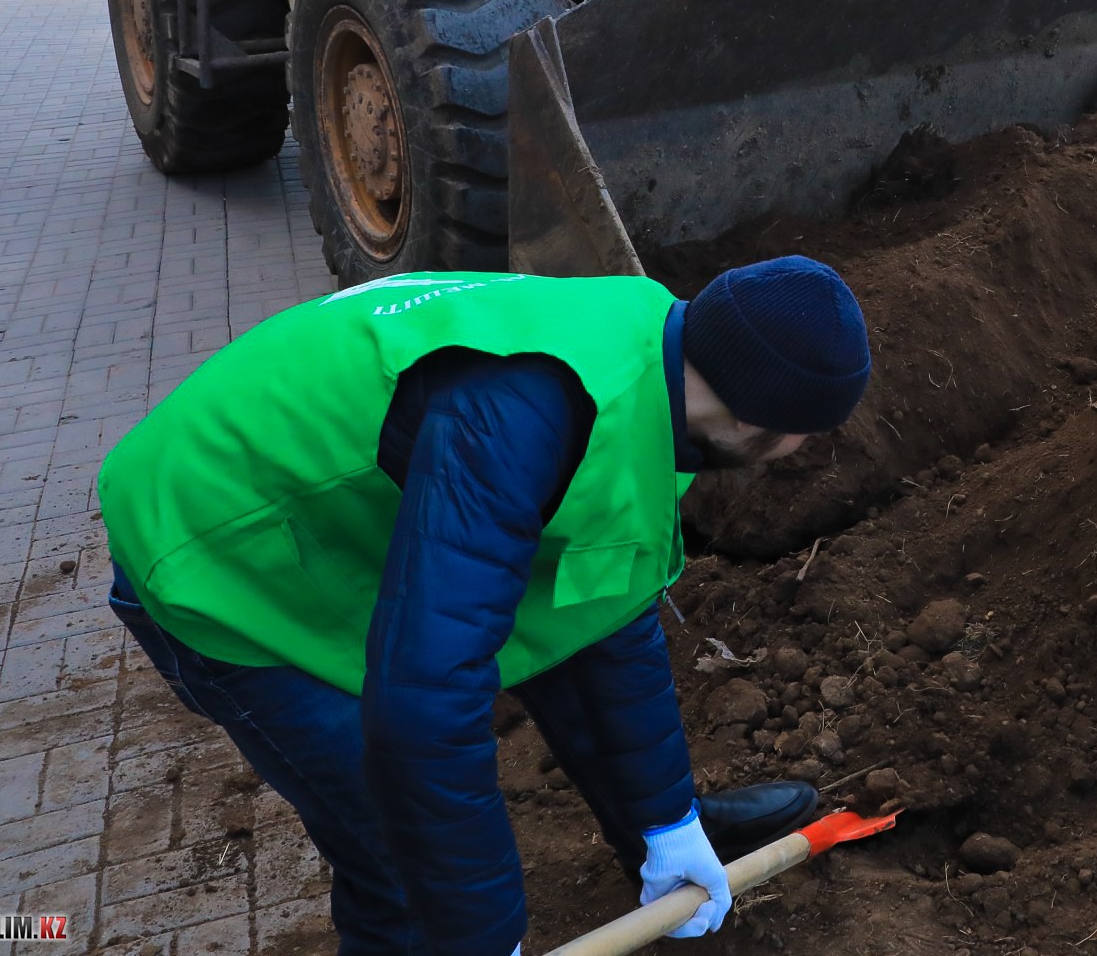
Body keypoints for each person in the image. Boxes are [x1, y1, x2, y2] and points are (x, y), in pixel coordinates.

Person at [96, 258, 874, 955]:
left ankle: (652, 836)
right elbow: (425, 707)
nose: (804, 453)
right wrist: (484, 937)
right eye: (808, 435)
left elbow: (601, 616)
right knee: (398, 863)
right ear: (758, 420)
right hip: (212, 542)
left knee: (500, 645)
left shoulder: (656, 368)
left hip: (334, 501)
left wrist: (666, 821)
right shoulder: (523, 415)